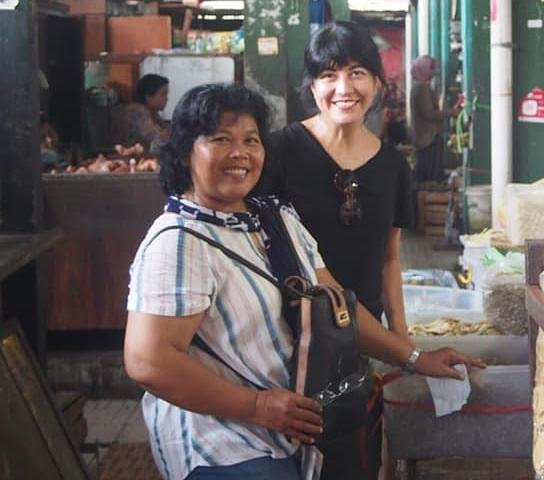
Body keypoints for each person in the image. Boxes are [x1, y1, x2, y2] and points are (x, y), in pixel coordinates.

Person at [123, 82, 484, 480]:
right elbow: (148, 361)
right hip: (221, 443)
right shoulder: (180, 240)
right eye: (221, 139)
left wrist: (415, 358)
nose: (239, 153)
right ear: (185, 152)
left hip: (290, 432)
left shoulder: (274, 218)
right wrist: (256, 407)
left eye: (251, 140)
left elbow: (336, 308)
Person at [253, 21, 415, 479]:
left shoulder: (392, 166)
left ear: (378, 84)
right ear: (312, 86)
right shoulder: (279, 151)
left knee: (351, 456)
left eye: (358, 72)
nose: (344, 88)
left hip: (357, 345)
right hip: (285, 344)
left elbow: (389, 257)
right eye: (328, 75)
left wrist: (400, 338)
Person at [410, 55, 454, 183]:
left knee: (425, 172)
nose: (434, 73)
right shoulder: (422, 87)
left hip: (423, 137)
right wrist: (451, 113)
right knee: (431, 176)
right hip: (429, 138)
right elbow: (429, 113)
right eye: (431, 69)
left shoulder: (418, 86)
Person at [112, 73, 170, 150]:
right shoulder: (136, 111)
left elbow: (166, 128)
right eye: (163, 94)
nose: (166, 98)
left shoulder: (152, 112)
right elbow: (158, 139)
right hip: (127, 157)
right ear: (148, 96)